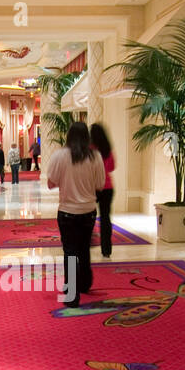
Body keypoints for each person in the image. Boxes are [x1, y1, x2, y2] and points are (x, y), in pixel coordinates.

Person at [47, 121, 105, 307]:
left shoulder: (60, 156)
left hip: (67, 212)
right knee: (83, 249)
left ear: (69, 136)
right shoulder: (95, 157)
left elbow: (50, 183)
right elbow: (100, 184)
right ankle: (84, 283)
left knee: (70, 252)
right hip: (88, 211)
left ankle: (72, 294)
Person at [89, 122, 115, 259]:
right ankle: (106, 249)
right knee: (105, 218)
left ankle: (88, 242)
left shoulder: (90, 149)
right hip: (108, 187)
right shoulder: (107, 150)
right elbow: (112, 167)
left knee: (89, 216)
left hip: (93, 187)